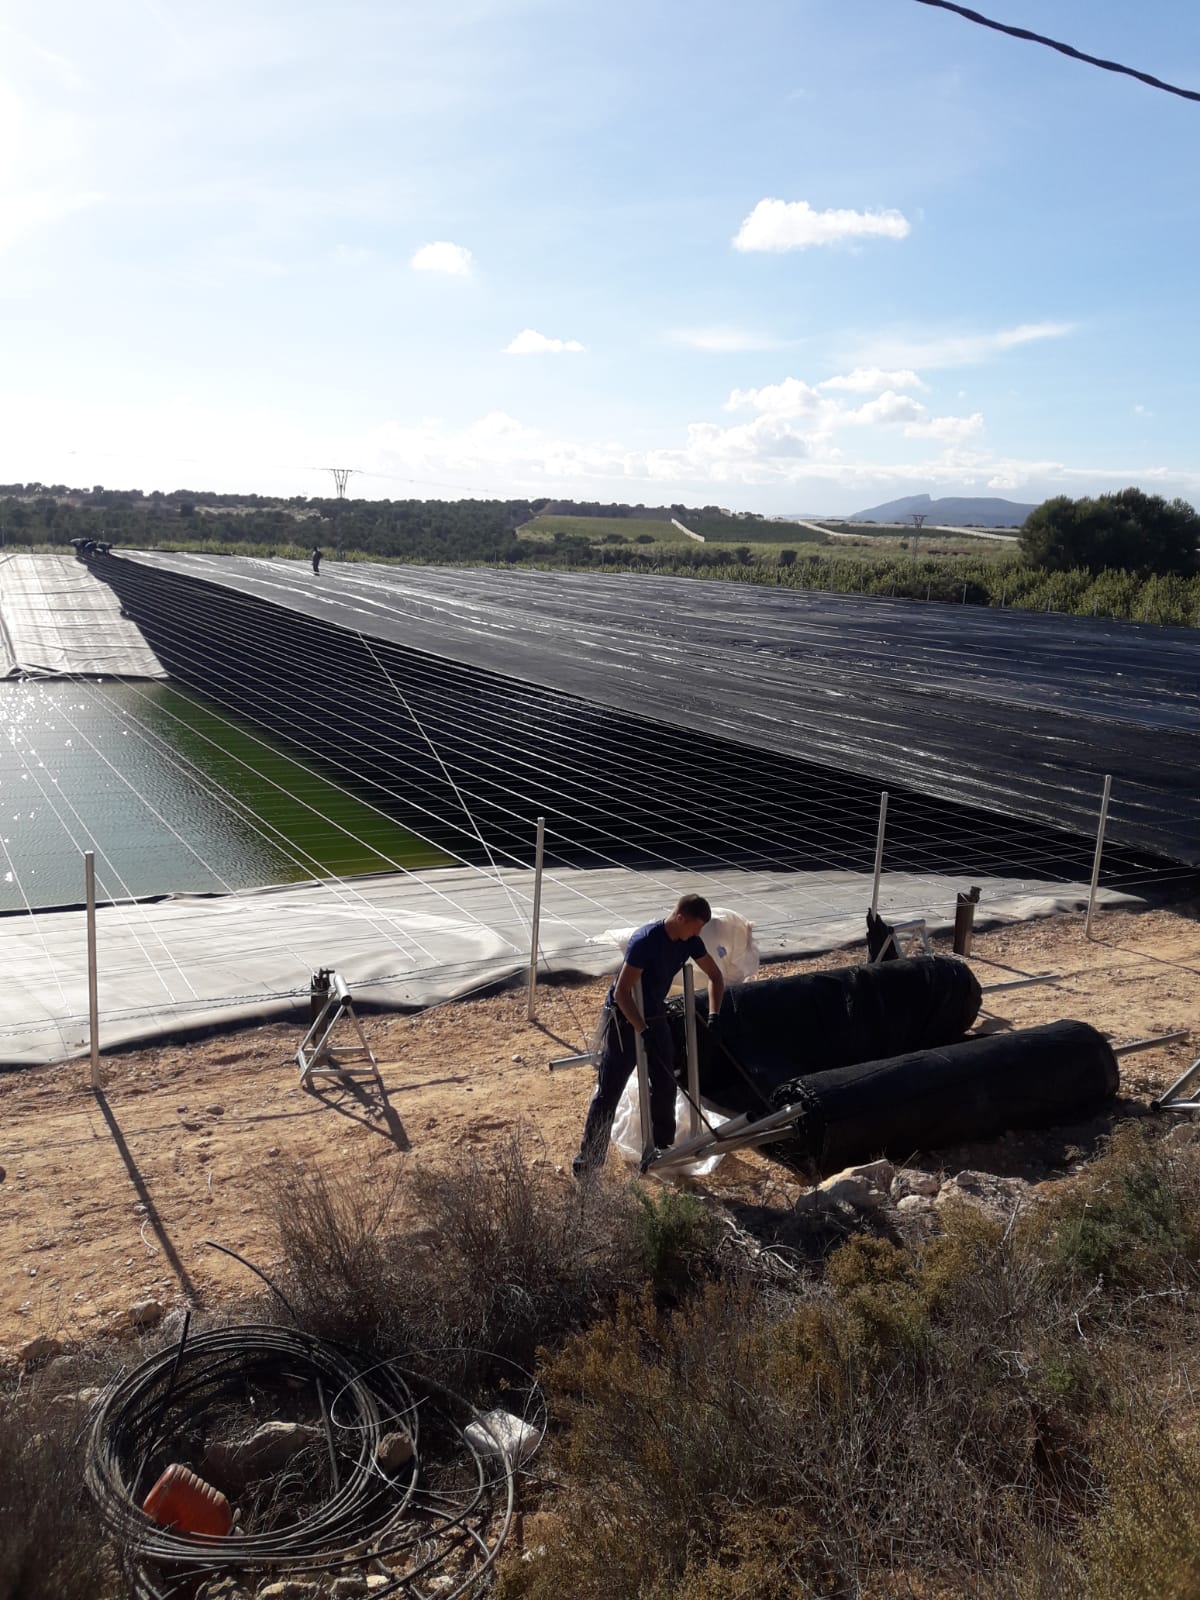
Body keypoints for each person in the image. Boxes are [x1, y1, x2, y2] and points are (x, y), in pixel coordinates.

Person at [574, 893, 725, 1178]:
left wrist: (714, 1016)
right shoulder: (645, 941)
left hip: (654, 1013)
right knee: (610, 1089)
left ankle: (661, 1150)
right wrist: (641, 1029)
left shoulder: (690, 941)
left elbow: (715, 976)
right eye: (696, 927)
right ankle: (588, 1163)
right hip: (624, 1015)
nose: (698, 934)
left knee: (665, 1081)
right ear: (680, 918)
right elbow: (622, 992)